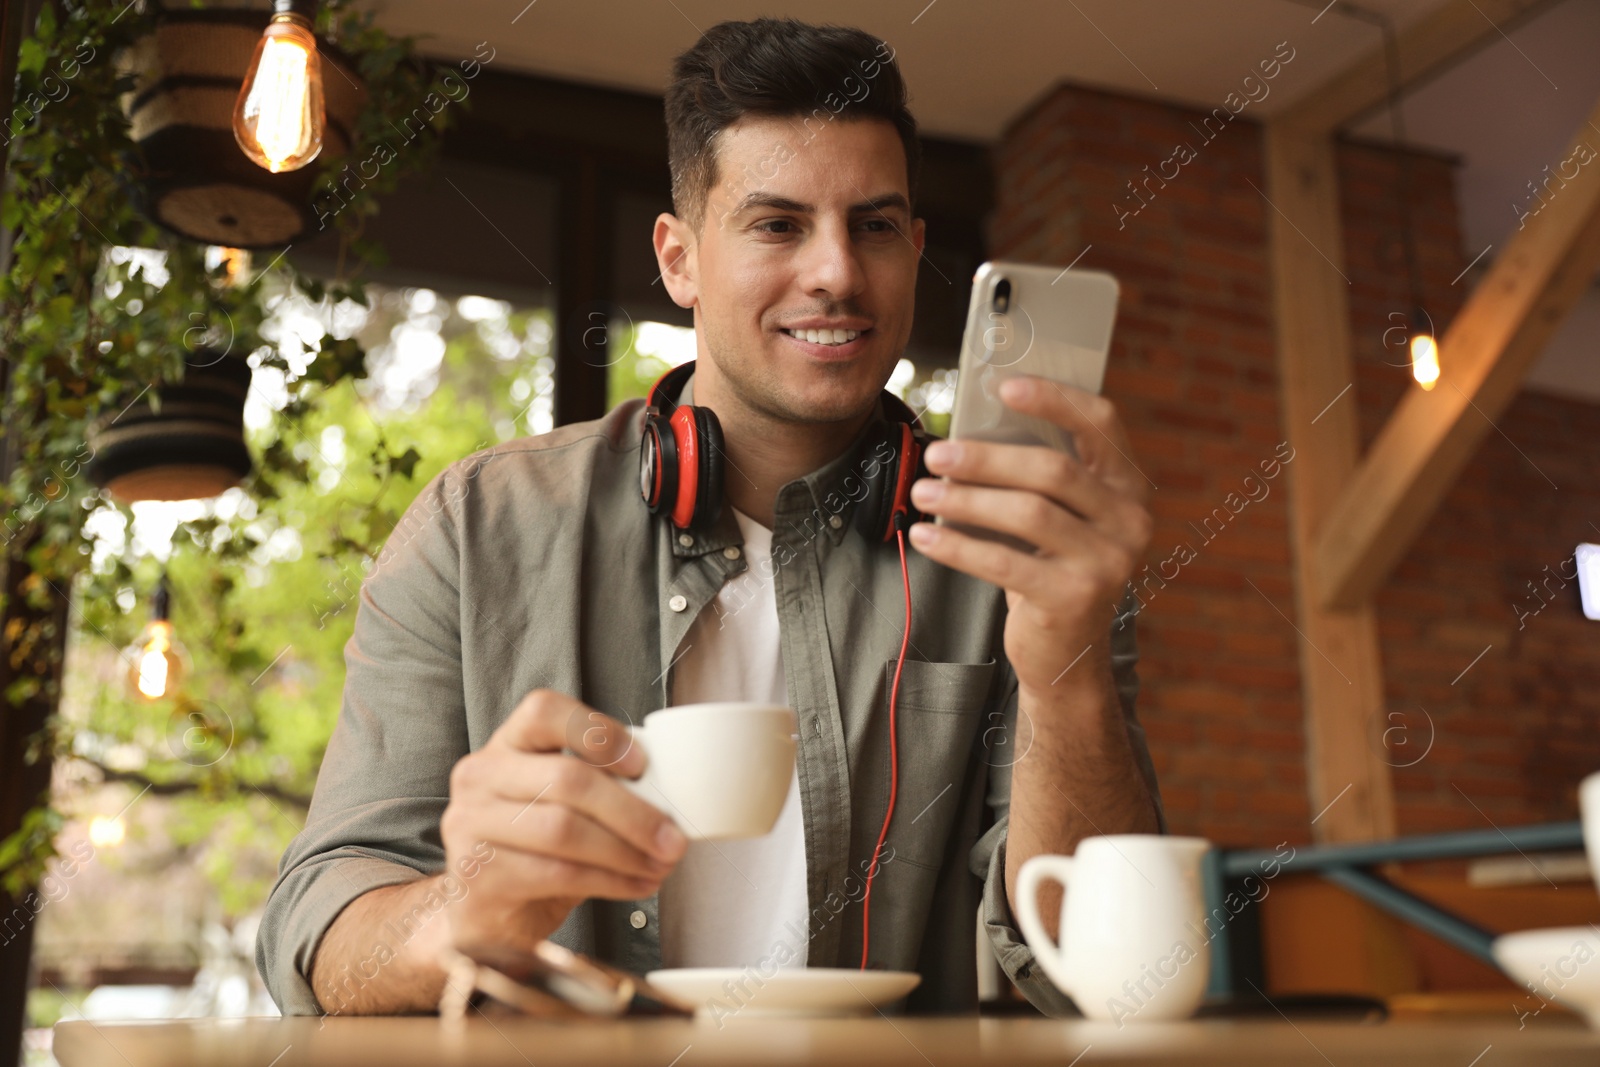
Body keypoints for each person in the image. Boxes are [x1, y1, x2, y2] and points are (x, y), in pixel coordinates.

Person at [256, 16, 1162, 1018]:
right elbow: (316, 930)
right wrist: (449, 914)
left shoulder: (1028, 551)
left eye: (872, 227)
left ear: (913, 251)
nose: (835, 273)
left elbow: (1075, 966)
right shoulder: (476, 525)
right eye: (777, 225)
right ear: (679, 260)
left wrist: (1065, 669)